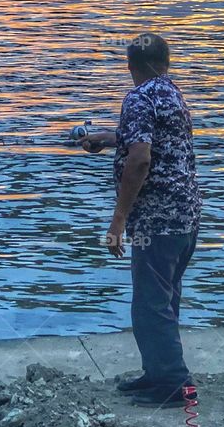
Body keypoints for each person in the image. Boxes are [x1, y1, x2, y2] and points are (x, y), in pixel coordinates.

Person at [82, 32, 202, 407]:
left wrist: (118, 222)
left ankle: (173, 385)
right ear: (166, 63)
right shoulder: (172, 94)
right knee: (164, 301)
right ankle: (158, 373)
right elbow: (151, 140)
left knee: (149, 305)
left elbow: (141, 159)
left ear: (131, 66)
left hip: (157, 221)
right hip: (186, 215)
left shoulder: (137, 97)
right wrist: (107, 136)